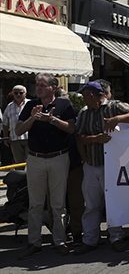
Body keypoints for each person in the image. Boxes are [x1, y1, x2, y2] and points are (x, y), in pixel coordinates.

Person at [72, 81, 129, 255]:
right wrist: (93, 143)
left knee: (113, 203)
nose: (84, 98)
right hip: (91, 164)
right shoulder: (84, 113)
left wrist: (117, 118)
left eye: (87, 95)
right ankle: (90, 239)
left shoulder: (114, 106)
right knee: (91, 205)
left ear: (96, 95)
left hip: (113, 165)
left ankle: (116, 237)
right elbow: (79, 137)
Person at [15, 74, 77, 259]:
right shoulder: (29, 105)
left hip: (58, 158)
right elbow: (18, 130)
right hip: (35, 159)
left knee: (58, 204)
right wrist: (33, 118)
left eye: (42, 85)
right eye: (37, 85)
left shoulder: (64, 105)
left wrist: (52, 120)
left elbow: (72, 128)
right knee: (35, 203)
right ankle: (34, 242)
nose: (38, 88)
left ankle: (60, 241)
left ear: (53, 87)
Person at [2, 85, 30, 163]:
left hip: (29, 138)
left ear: (25, 93)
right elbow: (5, 123)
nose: (18, 95)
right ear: (13, 94)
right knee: (18, 163)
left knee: (31, 162)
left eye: (21, 93)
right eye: (16, 93)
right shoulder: (9, 106)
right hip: (15, 139)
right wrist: (5, 137)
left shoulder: (30, 104)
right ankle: (21, 175)